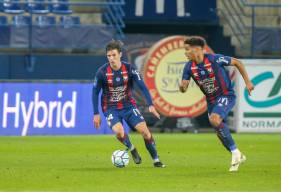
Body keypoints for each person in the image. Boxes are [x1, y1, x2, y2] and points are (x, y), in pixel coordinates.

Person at [179, 36, 254, 172]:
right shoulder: (189, 67)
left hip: (226, 95)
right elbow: (183, 87)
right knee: (219, 133)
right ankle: (238, 155)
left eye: (187, 49)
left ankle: (236, 152)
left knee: (214, 119)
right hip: (211, 101)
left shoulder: (214, 59)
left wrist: (248, 82)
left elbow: (238, 62)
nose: (185, 53)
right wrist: (182, 87)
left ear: (197, 49)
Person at [92, 40, 165, 168]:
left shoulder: (129, 69)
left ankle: (156, 160)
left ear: (120, 54)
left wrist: (150, 104)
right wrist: (96, 113)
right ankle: (132, 148)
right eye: (109, 56)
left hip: (129, 106)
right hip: (110, 109)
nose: (111, 58)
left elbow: (142, 87)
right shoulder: (102, 72)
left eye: (114, 55)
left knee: (145, 132)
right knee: (119, 132)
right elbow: (95, 92)